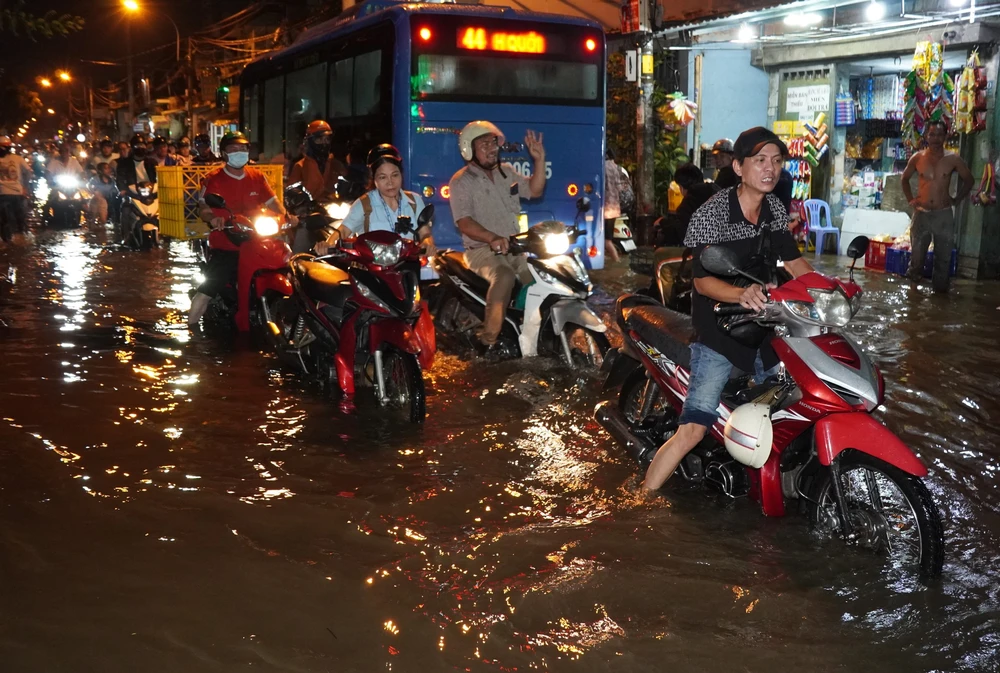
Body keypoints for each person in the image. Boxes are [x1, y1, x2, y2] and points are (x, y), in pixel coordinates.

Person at [642, 127, 815, 492]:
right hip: (720, 334)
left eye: (777, 161)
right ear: (738, 167)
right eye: (759, 161)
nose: (770, 169)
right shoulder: (713, 212)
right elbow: (703, 282)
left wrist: (831, 289)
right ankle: (642, 499)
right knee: (692, 430)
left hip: (762, 327)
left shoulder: (774, 209)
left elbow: (795, 263)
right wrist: (741, 295)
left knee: (792, 398)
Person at [448, 120, 546, 355]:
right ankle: (488, 341)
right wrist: (491, 237)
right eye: (484, 144)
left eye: (493, 143)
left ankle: (535, 333)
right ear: (468, 149)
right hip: (482, 251)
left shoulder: (507, 173)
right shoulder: (461, 181)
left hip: (514, 248)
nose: (492, 148)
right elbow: (464, 221)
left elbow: (535, 190)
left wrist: (539, 160)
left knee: (539, 280)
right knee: (504, 276)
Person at [187, 131, 291, 327]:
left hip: (257, 239)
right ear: (224, 153)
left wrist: (287, 216)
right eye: (233, 149)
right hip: (227, 242)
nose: (238, 152)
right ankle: (190, 328)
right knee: (210, 287)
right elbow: (203, 208)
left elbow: (274, 202)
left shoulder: (257, 176)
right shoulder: (213, 179)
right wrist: (214, 218)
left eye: (242, 149)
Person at [317, 144, 434, 255]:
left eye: (395, 175)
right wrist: (327, 244)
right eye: (382, 177)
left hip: (409, 270)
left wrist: (427, 243)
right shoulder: (364, 204)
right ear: (374, 179)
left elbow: (424, 233)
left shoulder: (415, 201)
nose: (390, 182)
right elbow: (343, 231)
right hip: (374, 272)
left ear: (401, 174)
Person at [900, 120, 974, 293]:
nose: (935, 138)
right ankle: (913, 297)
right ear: (927, 136)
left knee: (943, 260)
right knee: (917, 259)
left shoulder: (953, 159)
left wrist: (956, 199)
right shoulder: (918, 157)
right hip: (921, 214)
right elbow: (904, 179)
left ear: (945, 137)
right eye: (932, 134)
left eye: (939, 134)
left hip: (943, 216)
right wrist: (911, 199)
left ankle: (939, 298)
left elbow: (969, 180)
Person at [288, 120, 348, 202]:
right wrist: (302, 201)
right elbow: (291, 192)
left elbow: (346, 185)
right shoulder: (300, 166)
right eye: (319, 139)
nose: (324, 143)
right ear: (310, 141)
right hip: (308, 211)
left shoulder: (336, 164)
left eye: (327, 139)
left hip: (332, 209)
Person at [667, 162, 720, 245]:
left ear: (681, 187)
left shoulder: (688, 204)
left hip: (700, 252)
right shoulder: (717, 192)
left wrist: (663, 224)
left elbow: (682, 236)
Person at [0, 135, 31, 239]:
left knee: (5, 221)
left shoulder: (18, 158)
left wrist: (25, 187)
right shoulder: (18, 158)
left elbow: (28, 172)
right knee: (20, 220)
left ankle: (9, 240)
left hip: (7, 194)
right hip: (15, 194)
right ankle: (21, 238)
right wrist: (25, 187)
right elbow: (28, 173)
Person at [603, 148, 624, 262]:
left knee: (606, 240)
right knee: (608, 238)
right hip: (615, 209)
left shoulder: (603, 167)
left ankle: (616, 261)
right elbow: (620, 188)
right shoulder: (616, 168)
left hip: (605, 209)